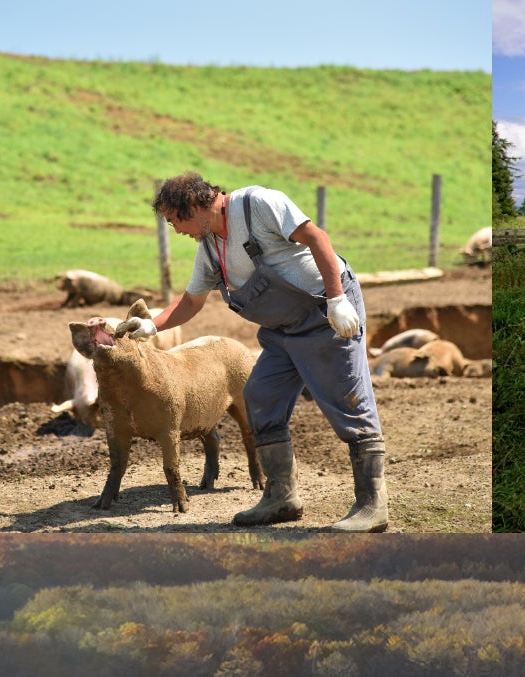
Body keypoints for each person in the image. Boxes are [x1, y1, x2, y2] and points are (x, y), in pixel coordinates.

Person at [145, 172, 388, 532]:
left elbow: (316, 237)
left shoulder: (258, 204)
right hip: (281, 330)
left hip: (326, 312)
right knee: (260, 394)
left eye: (174, 219)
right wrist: (151, 326)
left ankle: (372, 505)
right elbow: (192, 302)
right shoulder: (210, 249)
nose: (176, 230)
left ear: (196, 206)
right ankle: (282, 497)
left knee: (348, 401)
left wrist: (337, 299)